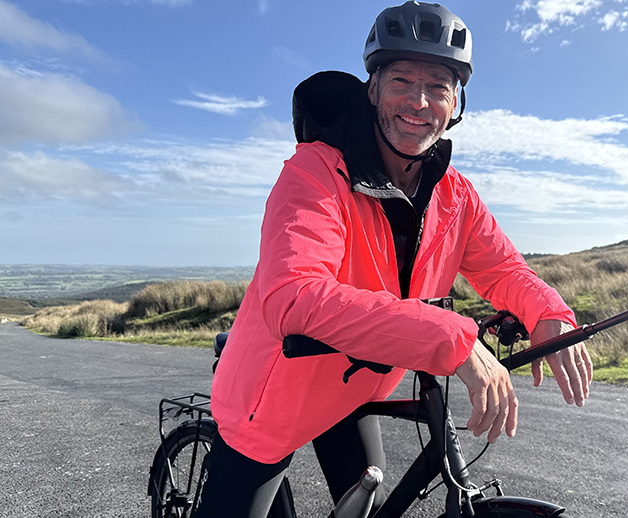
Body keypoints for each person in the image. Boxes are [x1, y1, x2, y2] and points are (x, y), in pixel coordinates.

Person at [194, 2, 592, 516]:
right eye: (402, 80)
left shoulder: (454, 194)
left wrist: (548, 313)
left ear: (457, 102)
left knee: (369, 508)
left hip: (353, 389)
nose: (419, 101)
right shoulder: (316, 173)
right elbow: (294, 297)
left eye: (439, 86)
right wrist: (453, 340)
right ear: (373, 90)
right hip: (273, 397)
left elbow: (503, 269)